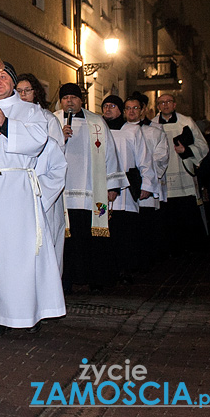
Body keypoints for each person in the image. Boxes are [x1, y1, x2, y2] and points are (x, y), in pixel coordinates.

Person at [0, 62, 65, 338]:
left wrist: (6, 124)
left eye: (4, 78)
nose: (0, 84)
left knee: (21, 255)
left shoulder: (32, 111)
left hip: (17, 188)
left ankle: (27, 312)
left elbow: (37, 142)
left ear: (11, 81)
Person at [57, 83, 128, 293]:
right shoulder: (52, 121)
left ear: (81, 101)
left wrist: (112, 184)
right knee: (66, 239)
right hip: (61, 192)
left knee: (93, 236)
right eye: (65, 97)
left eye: (73, 97)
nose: (69, 101)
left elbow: (110, 154)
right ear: (60, 101)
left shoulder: (97, 122)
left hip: (92, 192)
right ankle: (66, 280)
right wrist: (59, 138)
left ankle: (95, 278)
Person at [17, 73, 71, 271]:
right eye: (19, 91)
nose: (23, 95)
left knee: (47, 239)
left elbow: (57, 158)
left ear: (36, 92)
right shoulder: (12, 119)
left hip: (44, 188)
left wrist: (44, 191)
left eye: (27, 91)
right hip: (20, 190)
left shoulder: (47, 119)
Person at [101, 95, 157, 283]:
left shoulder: (132, 131)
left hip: (125, 188)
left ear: (120, 111)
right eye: (105, 106)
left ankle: (124, 270)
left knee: (124, 233)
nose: (108, 109)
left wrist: (147, 184)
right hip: (101, 187)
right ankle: (106, 271)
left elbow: (144, 159)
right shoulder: (97, 130)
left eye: (113, 106)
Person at [150, 93, 210, 254]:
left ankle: (191, 248)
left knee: (187, 214)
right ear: (157, 106)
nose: (165, 105)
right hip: (163, 176)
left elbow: (203, 146)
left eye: (168, 102)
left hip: (183, 174)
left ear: (174, 104)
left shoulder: (186, 122)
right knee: (166, 216)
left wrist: (187, 151)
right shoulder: (152, 125)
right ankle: (168, 249)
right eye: (161, 103)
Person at [124, 93, 170, 267]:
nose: (131, 111)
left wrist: (146, 180)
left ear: (142, 110)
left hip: (145, 184)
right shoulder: (120, 131)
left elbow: (161, 157)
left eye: (135, 108)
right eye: (128, 108)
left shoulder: (154, 131)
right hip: (127, 186)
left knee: (146, 225)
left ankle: (147, 260)